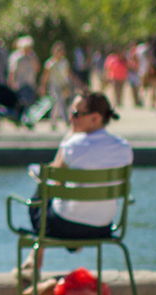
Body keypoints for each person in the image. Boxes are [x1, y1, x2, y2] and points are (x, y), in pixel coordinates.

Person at [24, 93, 131, 240]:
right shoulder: (124, 147)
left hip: (63, 226)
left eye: (76, 114)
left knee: (42, 189)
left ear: (95, 118)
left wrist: (68, 137)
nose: (70, 118)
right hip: (102, 227)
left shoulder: (71, 145)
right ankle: (64, 248)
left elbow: (56, 181)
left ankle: (39, 249)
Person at [5, 37, 38, 110]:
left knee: (31, 104)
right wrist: (11, 83)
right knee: (24, 103)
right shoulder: (16, 58)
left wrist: (33, 59)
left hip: (30, 84)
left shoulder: (32, 56)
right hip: (20, 84)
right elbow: (12, 71)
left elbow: (37, 68)